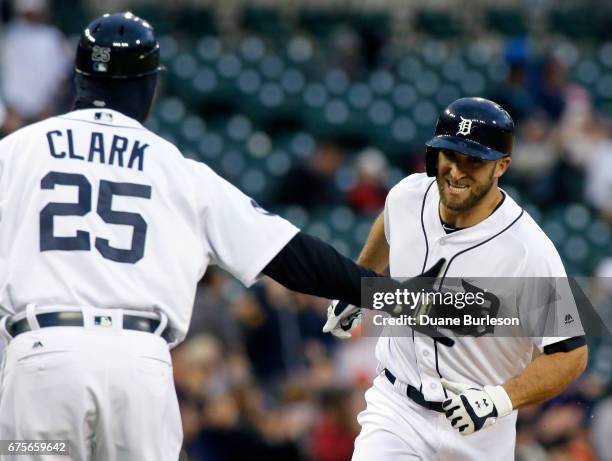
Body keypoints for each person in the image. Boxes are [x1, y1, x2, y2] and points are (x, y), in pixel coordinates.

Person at [0, 12, 448, 461]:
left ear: (80, 78)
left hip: (40, 360)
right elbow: (293, 257)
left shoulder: (15, 152)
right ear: (149, 86)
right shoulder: (176, 170)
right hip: (136, 366)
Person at [324, 97, 589, 460]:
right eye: (450, 155)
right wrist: (357, 284)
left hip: (479, 430)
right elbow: (390, 225)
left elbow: (571, 355)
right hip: (396, 408)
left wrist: (501, 399)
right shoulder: (408, 195)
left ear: (502, 167)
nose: (457, 171)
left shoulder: (531, 252)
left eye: (474, 161)